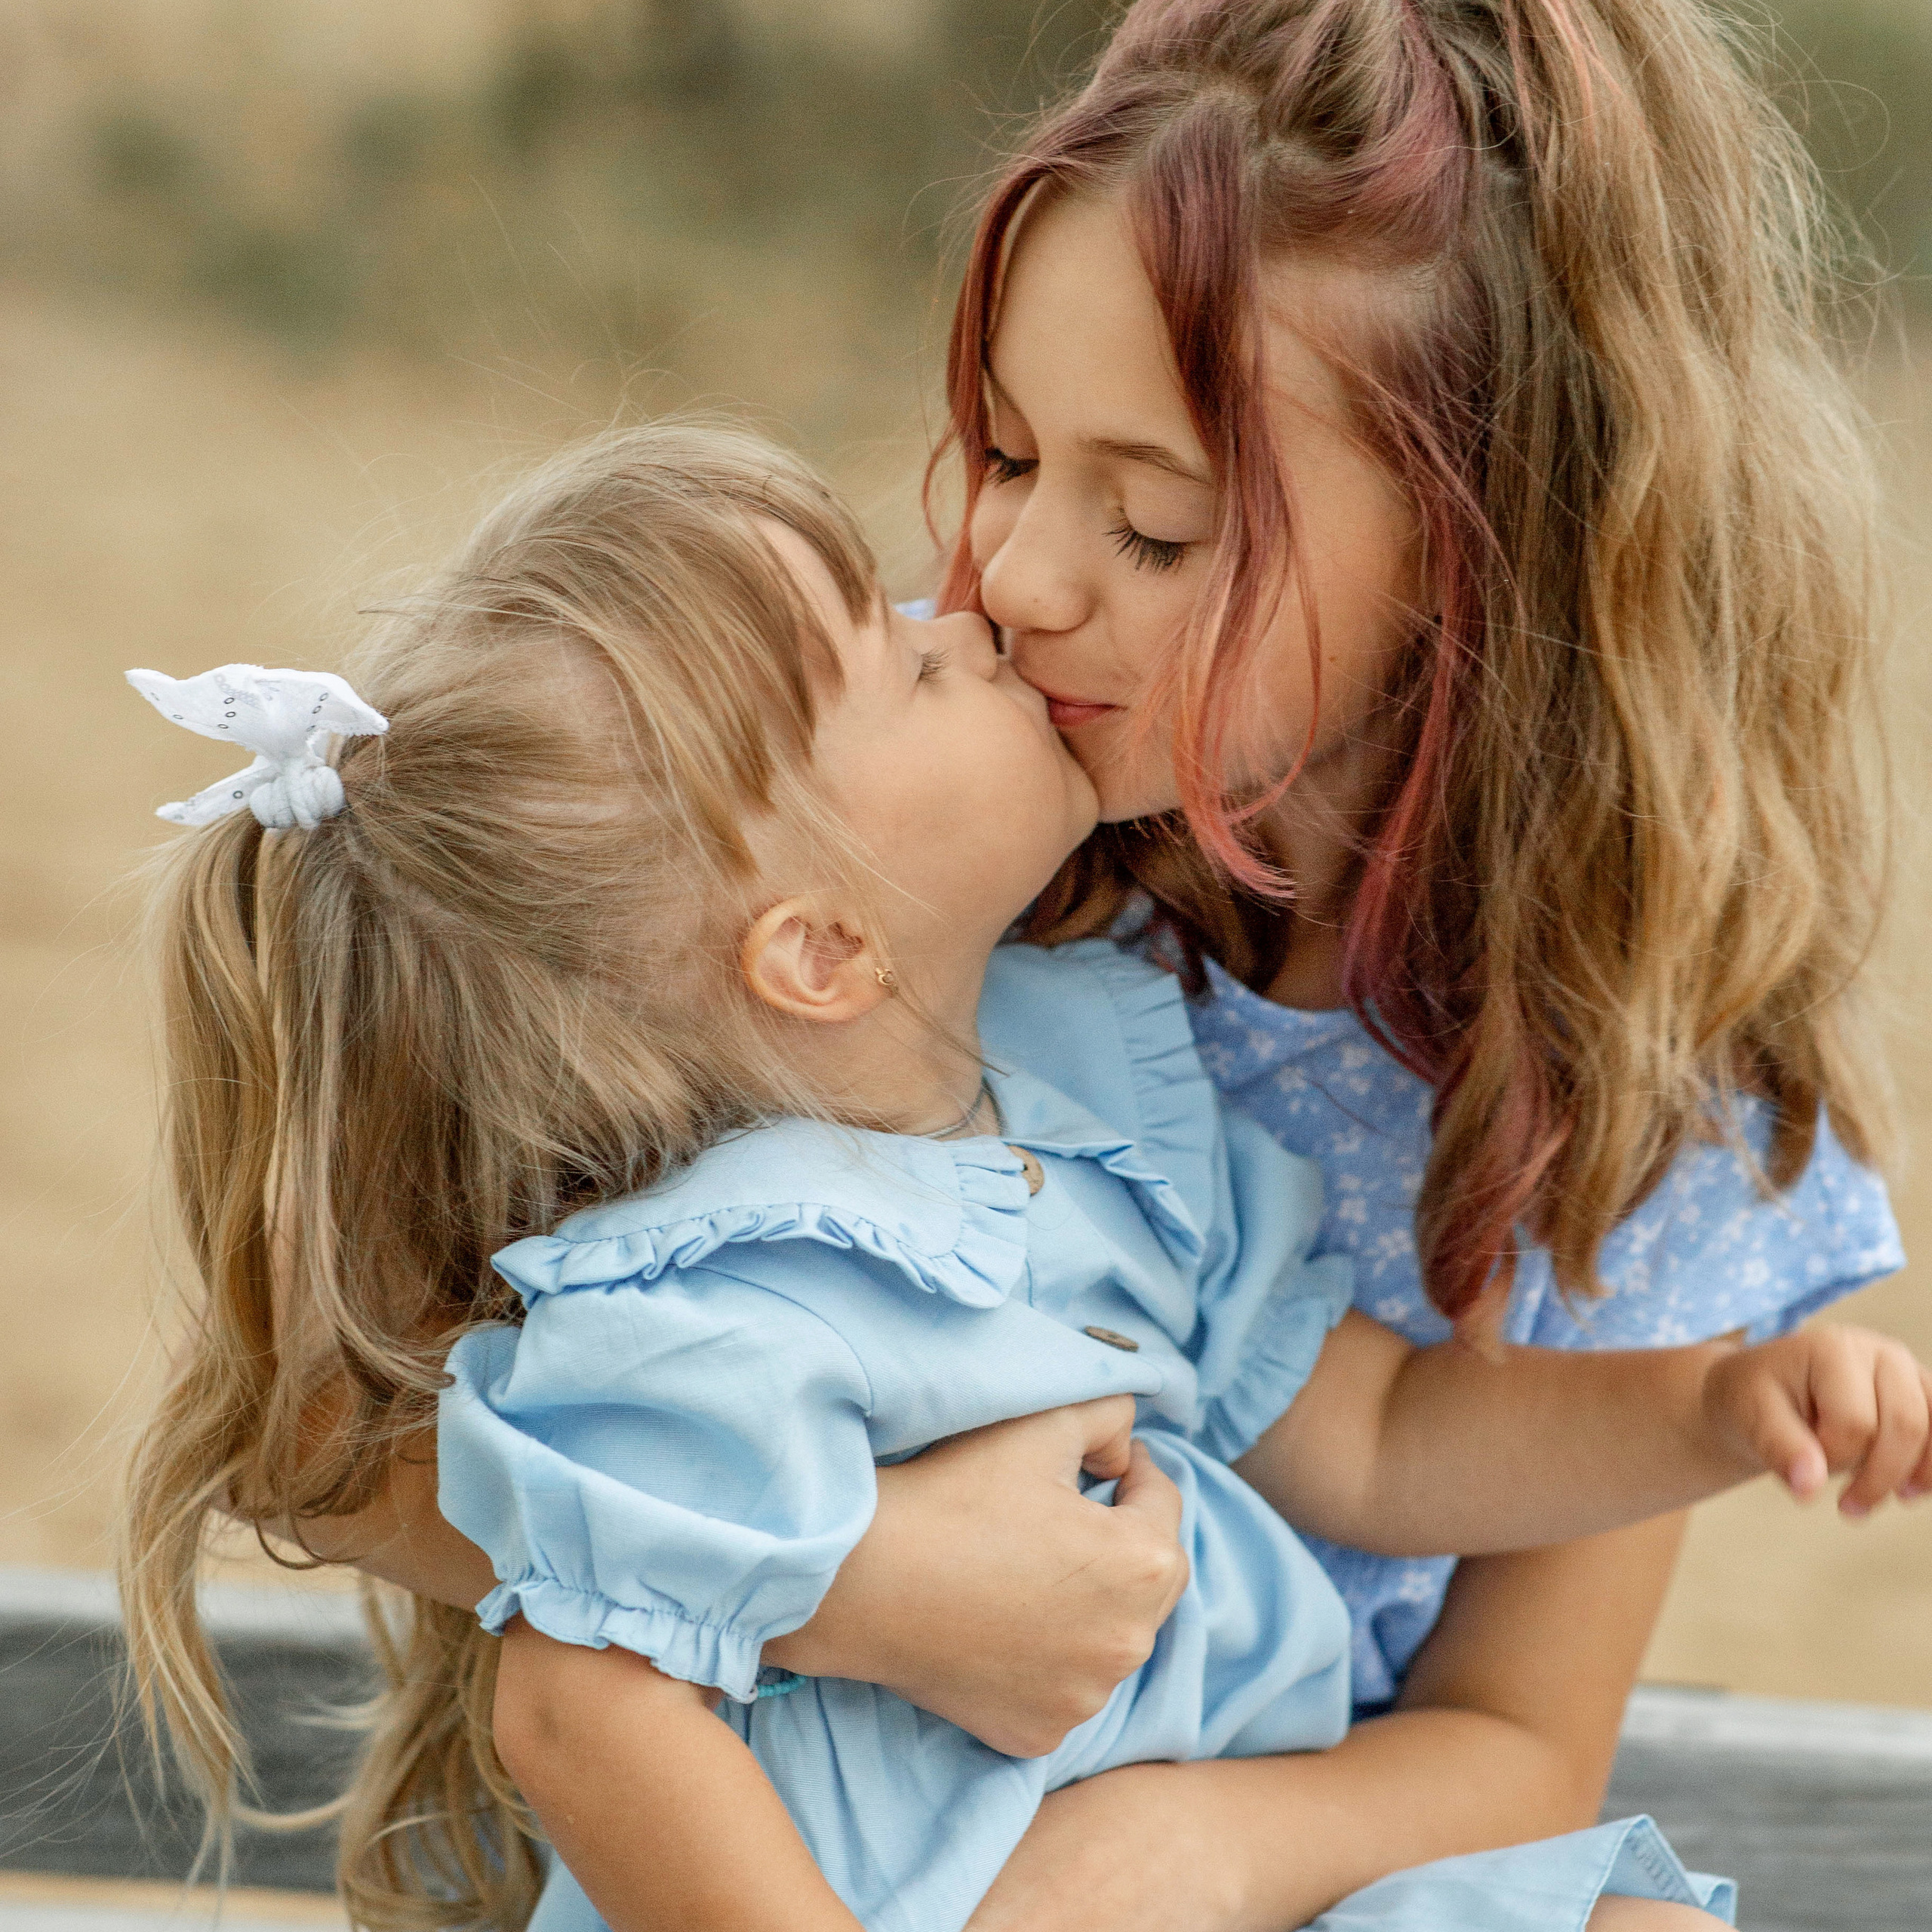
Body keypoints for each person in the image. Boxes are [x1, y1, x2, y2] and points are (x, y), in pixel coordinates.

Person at [152, 4, 1907, 1929]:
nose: (1009, 579)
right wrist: (857, 1581)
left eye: (1154, 524)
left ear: (1481, 555)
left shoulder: (1639, 1093)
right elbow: (319, 1433)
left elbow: (1512, 1730)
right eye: (1000, 449)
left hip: (1276, 1865)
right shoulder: (890, 818)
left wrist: (1175, 1853)